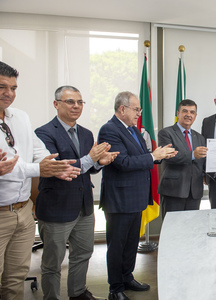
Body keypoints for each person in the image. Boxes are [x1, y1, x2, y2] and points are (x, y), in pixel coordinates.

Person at [0, 61, 80, 300]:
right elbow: (15, 166)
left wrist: (52, 164)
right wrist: (41, 168)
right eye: (2, 86)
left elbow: (37, 149)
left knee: (15, 278)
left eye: (13, 87)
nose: (9, 93)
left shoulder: (20, 117)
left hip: (23, 212)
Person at [35, 86, 119, 300]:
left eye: (80, 102)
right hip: (56, 207)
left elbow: (87, 167)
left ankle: (78, 292)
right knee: (53, 262)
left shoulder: (85, 133)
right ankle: (51, 297)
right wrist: (91, 157)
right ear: (56, 104)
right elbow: (59, 168)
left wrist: (100, 163)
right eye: (70, 101)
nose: (76, 106)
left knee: (82, 254)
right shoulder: (43, 133)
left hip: (83, 205)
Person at [98, 91, 176, 300]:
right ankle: (115, 288)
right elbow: (122, 162)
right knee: (117, 245)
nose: (139, 113)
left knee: (131, 242)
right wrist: (153, 156)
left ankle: (127, 277)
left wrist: (160, 156)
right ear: (122, 109)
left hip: (136, 197)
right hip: (120, 199)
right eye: (136, 109)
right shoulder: (109, 130)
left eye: (140, 110)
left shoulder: (132, 129)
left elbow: (141, 158)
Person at [158, 99, 207, 219]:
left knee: (191, 230)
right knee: (172, 230)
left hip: (194, 192)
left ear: (195, 116)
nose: (188, 115)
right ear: (178, 113)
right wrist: (192, 155)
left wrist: (215, 171)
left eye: (192, 112)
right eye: (185, 111)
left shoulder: (200, 137)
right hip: (173, 191)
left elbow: (202, 162)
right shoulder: (166, 133)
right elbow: (169, 156)